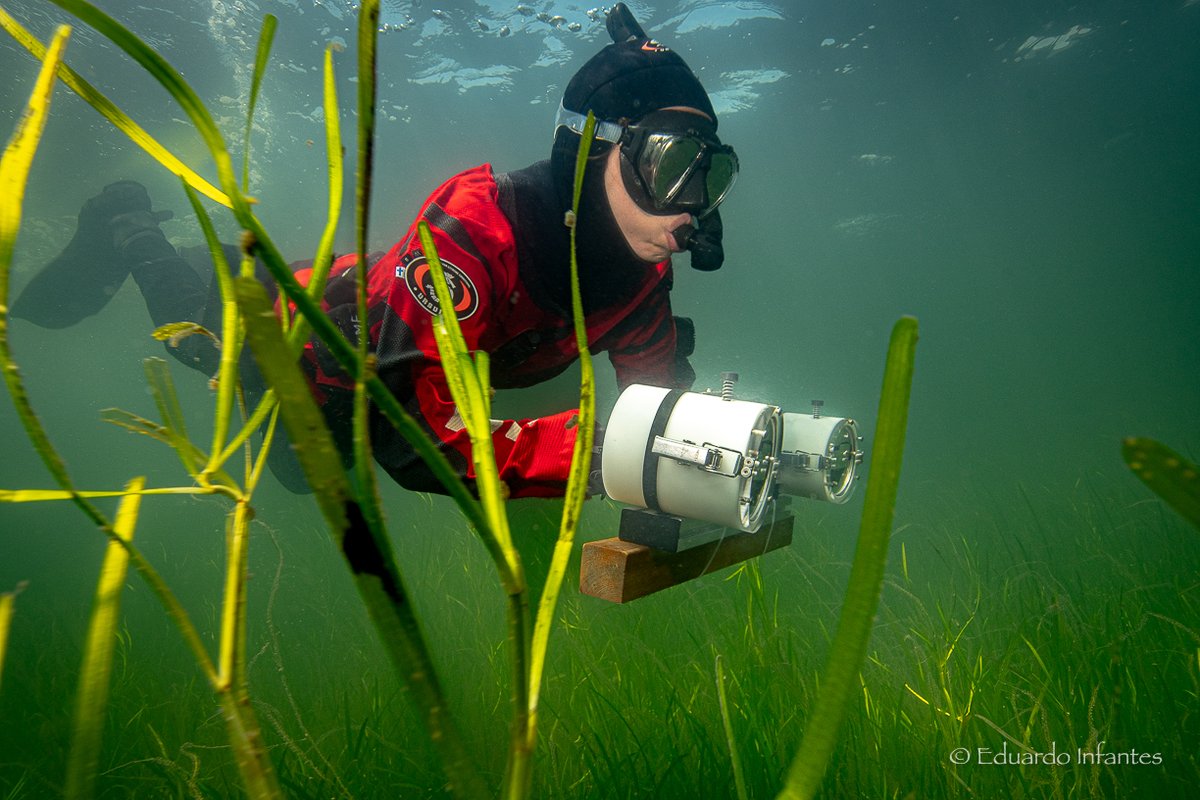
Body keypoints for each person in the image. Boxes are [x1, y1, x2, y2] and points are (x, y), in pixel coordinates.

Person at [10, 4, 738, 499]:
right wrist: (612, 456)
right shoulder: (479, 229)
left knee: (299, 478)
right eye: (672, 166)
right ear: (593, 148)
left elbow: (656, 395)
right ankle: (133, 229)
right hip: (293, 330)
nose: (691, 206)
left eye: (711, 174)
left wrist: (699, 451)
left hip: (354, 396)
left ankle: (198, 255)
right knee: (196, 339)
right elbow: (417, 437)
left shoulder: (642, 280)